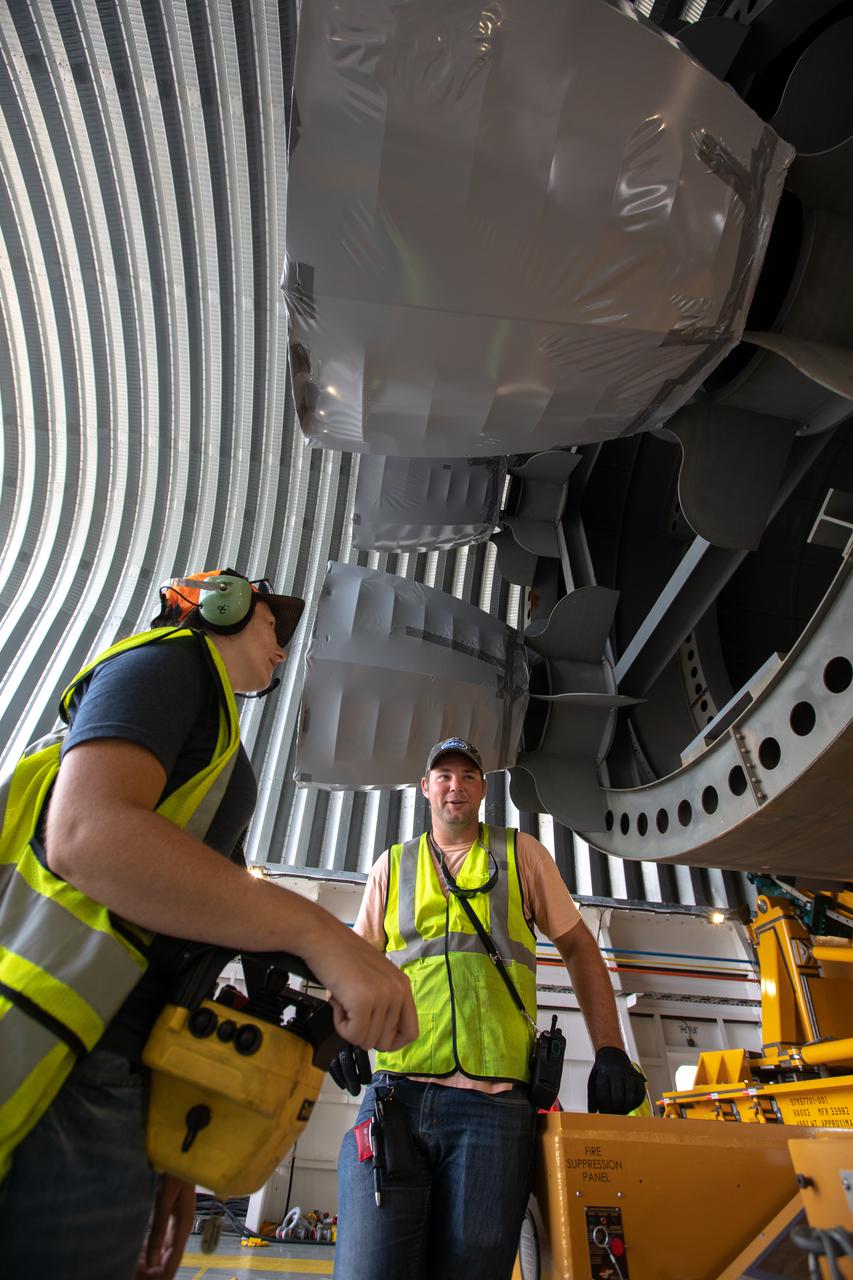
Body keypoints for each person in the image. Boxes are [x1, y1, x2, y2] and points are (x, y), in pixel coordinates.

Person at [0, 569, 417, 1280]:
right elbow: (88, 837)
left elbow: (185, 938)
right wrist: (322, 934)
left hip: (112, 1072)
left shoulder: (212, 747)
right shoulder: (166, 661)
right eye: (269, 625)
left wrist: (170, 1155)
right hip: (69, 1071)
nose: (281, 650)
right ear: (218, 603)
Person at [332, 737, 646, 1280]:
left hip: (495, 1112)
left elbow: (579, 947)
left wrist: (611, 1050)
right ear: (426, 788)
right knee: (369, 1269)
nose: (456, 784)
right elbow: (355, 963)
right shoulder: (393, 866)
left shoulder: (521, 854)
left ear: (483, 788)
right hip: (397, 1098)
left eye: (468, 775)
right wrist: (339, 1034)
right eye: (444, 775)